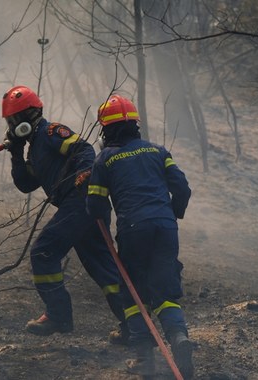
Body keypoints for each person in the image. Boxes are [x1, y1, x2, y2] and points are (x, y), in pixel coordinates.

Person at [0, 85, 128, 342]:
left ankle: (59, 315)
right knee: (105, 270)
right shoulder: (35, 149)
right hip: (80, 207)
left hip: (80, 202)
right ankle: (134, 325)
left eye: (14, 120)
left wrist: (84, 178)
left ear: (29, 116)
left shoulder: (51, 132)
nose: (11, 126)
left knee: (43, 252)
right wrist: (16, 153)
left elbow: (84, 150)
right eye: (9, 122)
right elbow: (25, 184)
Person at [86, 94, 194, 378]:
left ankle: (144, 360)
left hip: (133, 229)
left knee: (133, 295)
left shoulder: (105, 160)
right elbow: (182, 189)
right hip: (165, 227)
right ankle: (179, 337)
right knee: (165, 289)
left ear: (105, 130)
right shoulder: (159, 152)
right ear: (136, 125)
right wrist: (171, 214)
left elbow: (96, 206)